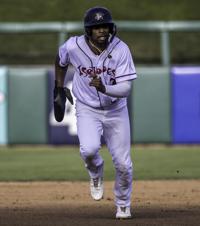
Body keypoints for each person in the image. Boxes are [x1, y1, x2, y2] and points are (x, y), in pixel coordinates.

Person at [54, 6, 137, 219]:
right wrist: (59, 87)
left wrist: (104, 88)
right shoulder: (74, 46)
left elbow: (126, 88)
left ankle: (123, 204)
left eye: (105, 26)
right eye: (97, 27)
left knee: (123, 164)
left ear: (111, 28)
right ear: (88, 30)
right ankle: (95, 173)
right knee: (89, 150)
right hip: (87, 108)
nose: (102, 30)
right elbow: (60, 60)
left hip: (116, 110)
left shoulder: (121, 49)